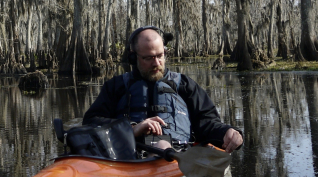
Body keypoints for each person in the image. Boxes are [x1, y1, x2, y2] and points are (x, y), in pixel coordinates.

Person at [83, 26, 243, 153]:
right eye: (148, 58)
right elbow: (92, 122)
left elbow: (206, 122)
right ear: (133, 58)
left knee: (161, 146)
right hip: (127, 154)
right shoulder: (116, 86)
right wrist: (132, 129)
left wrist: (227, 132)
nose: (156, 63)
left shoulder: (184, 85)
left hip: (175, 152)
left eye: (160, 56)